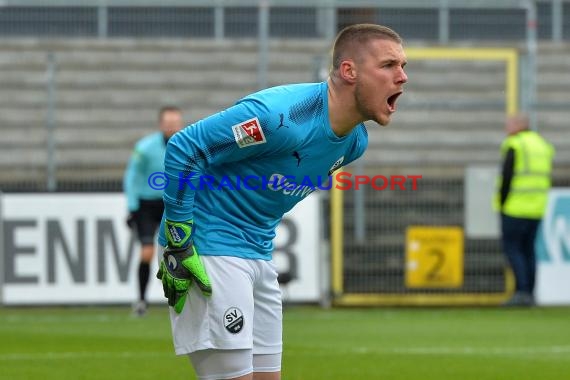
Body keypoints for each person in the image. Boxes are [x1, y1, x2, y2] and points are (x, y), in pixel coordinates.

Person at [155, 23, 408, 380]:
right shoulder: (279, 118)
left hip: (257, 253)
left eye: (403, 67)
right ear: (349, 71)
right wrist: (179, 240)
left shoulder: (354, 143)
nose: (402, 77)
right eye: (389, 65)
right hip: (208, 248)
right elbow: (186, 147)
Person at [123, 106, 184, 316]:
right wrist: (132, 208)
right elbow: (132, 177)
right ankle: (141, 300)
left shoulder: (186, 147)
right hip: (147, 205)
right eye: (168, 124)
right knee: (147, 252)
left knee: (180, 252)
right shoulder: (145, 147)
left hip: (172, 204)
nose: (172, 128)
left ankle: (181, 300)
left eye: (175, 124)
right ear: (161, 125)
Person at [494, 114, 555, 307]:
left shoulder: (515, 144)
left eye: (509, 123)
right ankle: (529, 292)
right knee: (529, 250)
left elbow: (507, 177)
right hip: (537, 207)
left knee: (513, 249)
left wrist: (502, 204)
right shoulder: (542, 145)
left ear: (518, 125)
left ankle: (521, 292)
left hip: (515, 207)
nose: (506, 127)